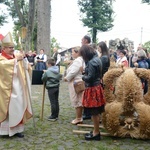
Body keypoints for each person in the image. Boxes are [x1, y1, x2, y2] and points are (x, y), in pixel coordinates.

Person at [0, 32, 33, 138]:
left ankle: (17, 130)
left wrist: (24, 61)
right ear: (4, 48)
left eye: (13, 47)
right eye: (10, 48)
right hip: (5, 89)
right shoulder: (1, 58)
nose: (12, 49)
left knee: (18, 107)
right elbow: (3, 66)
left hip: (18, 87)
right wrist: (15, 61)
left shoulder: (15, 56)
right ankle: (4, 131)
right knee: (7, 109)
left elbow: (25, 68)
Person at [79, 45, 105, 141]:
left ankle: (96, 133)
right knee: (96, 112)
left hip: (93, 89)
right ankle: (96, 130)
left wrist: (83, 76)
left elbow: (90, 77)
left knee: (94, 113)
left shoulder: (91, 62)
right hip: (97, 87)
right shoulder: (97, 59)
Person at [64, 47, 84, 125]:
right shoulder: (79, 60)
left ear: (77, 53)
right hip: (77, 81)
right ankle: (78, 117)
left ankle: (78, 118)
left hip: (76, 82)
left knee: (77, 99)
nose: (72, 54)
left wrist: (66, 78)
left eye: (72, 52)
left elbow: (73, 72)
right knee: (78, 99)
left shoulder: (78, 61)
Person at [81, 35, 92, 120]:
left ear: (86, 40)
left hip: (89, 78)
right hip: (87, 74)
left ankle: (87, 113)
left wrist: (84, 75)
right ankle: (87, 112)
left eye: (82, 40)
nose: (81, 41)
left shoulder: (87, 49)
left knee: (88, 96)